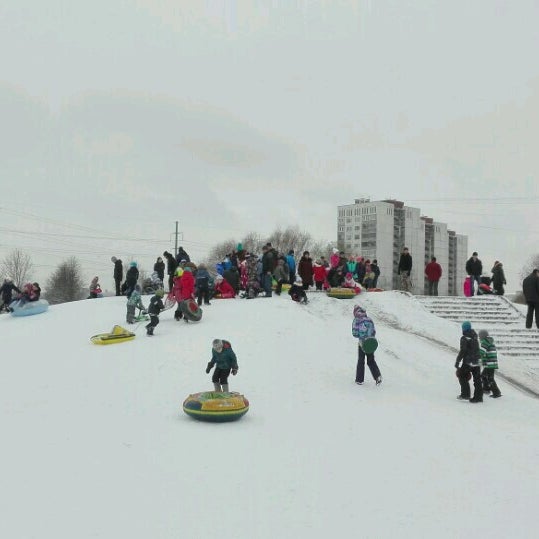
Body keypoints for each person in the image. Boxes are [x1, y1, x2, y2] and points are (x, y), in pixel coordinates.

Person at [352, 305, 381, 386]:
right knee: (371, 360)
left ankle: (359, 380)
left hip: (362, 343)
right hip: (370, 343)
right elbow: (374, 331)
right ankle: (377, 376)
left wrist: (361, 335)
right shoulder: (369, 319)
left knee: (361, 361)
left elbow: (355, 333)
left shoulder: (356, 320)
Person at [454, 321, 483, 402]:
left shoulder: (464, 338)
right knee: (477, 379)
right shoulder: (474, 336)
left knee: (461, 375)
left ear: (464, 328)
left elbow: (463, 350)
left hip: (468, 361)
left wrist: (457, 361)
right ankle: (478, 397)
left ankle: (465, 394)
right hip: (477, 361)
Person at [478, 329, 501, 398]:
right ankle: (486, 389)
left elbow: (481, 352)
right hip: (492, 363)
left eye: (479, 336)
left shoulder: (485, 342)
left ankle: (496, 392)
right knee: (484, 376)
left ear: (482, 336)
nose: (479, 337)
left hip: (489, 364)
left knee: (490, 378)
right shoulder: (490, 342)